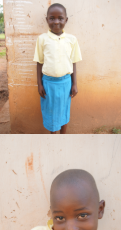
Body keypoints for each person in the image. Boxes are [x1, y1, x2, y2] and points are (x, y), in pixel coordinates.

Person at [34, 3, 82, 134]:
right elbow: (39, 62)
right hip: (48, 83)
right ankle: (53, 139)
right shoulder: (42, 39)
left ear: (66, 20)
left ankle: (63, 138)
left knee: (64, 112)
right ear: (47, 20)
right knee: (51, 114)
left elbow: (73, 62)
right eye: (52, 18)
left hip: (66, 83)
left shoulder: (72, 39)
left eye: (60, 18)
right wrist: (39, 84)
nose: (56, 22)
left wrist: (74, 84)